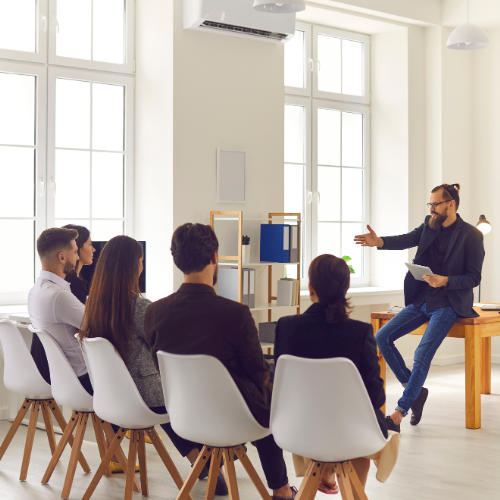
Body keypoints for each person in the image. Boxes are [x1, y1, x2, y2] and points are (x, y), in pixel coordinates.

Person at [144, 223, 297, 500]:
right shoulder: (235, 313)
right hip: (235, 419)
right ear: (214, 258)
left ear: (177, 260)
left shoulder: (154, 313)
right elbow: (256, 373)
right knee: (270, 392)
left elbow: (162, 370)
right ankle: (282, 489)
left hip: (186, 417)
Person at [77, 236, 226, 488]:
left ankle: (204, 462)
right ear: (134, 266)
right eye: (141, 261)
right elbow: (169, 348)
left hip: (111, 398)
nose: (142, 266)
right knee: (194, 391)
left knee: (171, 397)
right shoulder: (140, 306)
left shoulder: (93, 304)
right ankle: (208, 461)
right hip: (145, 398)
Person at [354, 184, 484, 431]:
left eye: (436, 204)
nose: (432, 209)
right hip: (421, 299)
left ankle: (398, 413)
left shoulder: (471, 235)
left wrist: (445, 280)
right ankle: (416, 393)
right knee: (381, 337)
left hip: (449, 302)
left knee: (421, 354)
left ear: (451, 204)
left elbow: (474, 278)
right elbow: (406, 239)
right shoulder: (429, 224)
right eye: (430, 205)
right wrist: (378, 241)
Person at [274, 254, 389, 495]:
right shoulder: (359, 333)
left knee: (329, 421)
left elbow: (280, 388)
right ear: (346, 288)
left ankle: (323, 470)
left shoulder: (285, 327)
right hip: (350, 433)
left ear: (311, 287)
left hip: (298, 428)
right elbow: (376, 398)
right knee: (365, 426)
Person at [27, 227, 93, 394]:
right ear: (62, 257)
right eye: (75, 252)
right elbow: (96, 325)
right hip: (83, 380)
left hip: (63, 377)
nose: (77, 257)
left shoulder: (36, 291)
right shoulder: (58, 296)